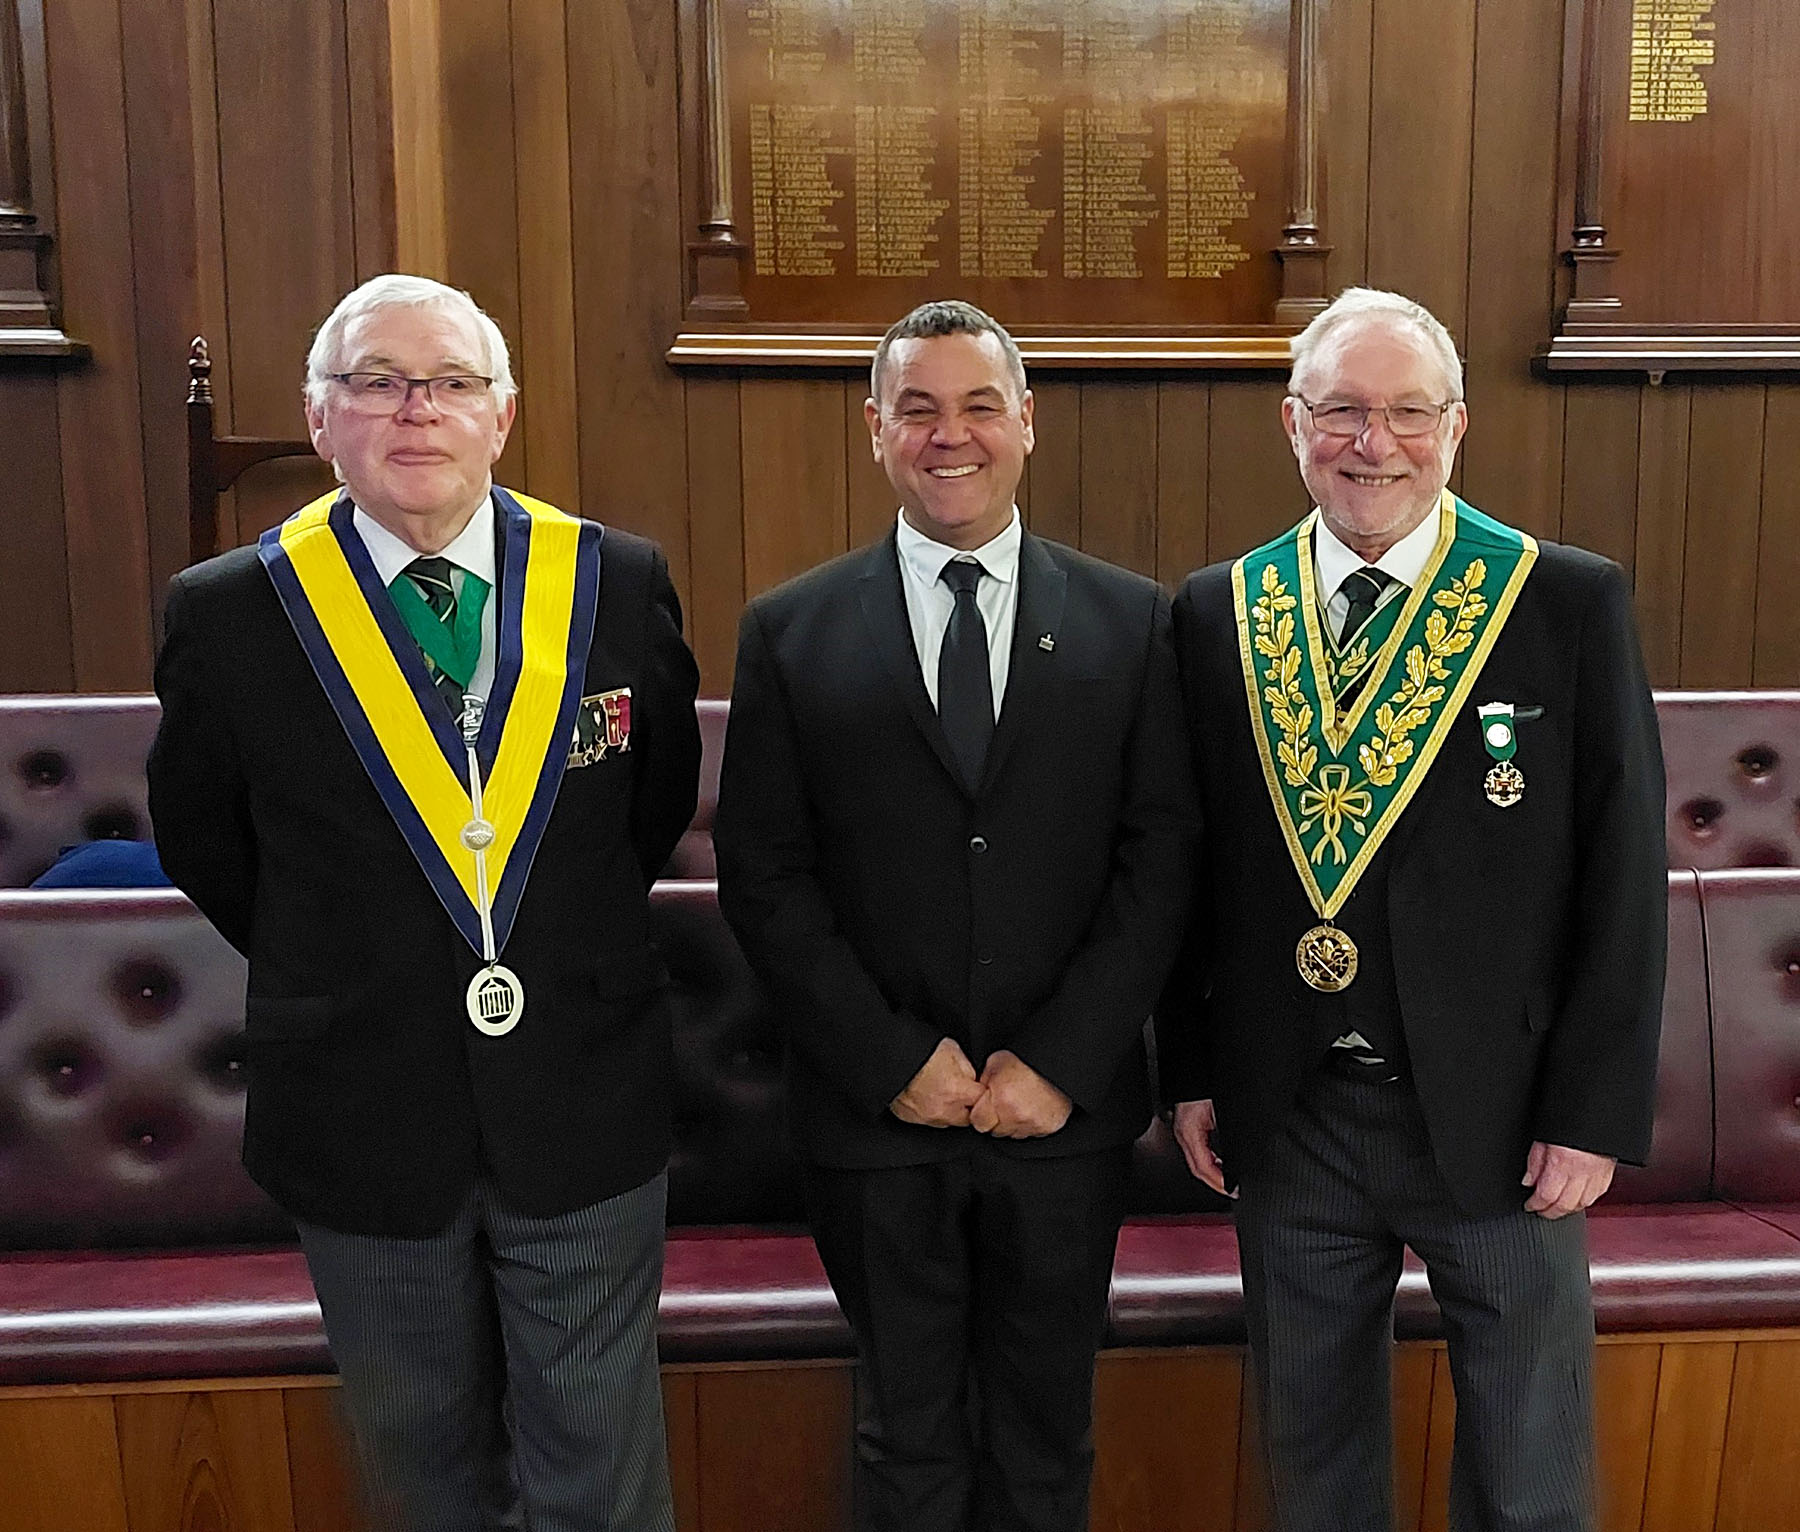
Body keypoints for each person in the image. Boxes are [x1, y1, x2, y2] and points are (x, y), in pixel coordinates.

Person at [148, 273, 700, 1532]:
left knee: (600, 1470)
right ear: (320, 415)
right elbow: (209, 845)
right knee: (419, 1470)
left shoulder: (614, 579)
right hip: (354, 1096)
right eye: (376, 382)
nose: (416, 411)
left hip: (581, 1084)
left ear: (501, 416)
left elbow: (650, 806)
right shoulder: (231, 612)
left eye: (451, 382)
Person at [1160, 287, 1666, 1532]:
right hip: (1292, 1112)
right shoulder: (1218, 609)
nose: (1370, 442)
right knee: (1315, 1469)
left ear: (1456, 427)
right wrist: (1192, 1069)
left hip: (1502, 1118)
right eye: (1340, 410)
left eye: (1404, 413)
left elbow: (1622, 873)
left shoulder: (1561, 599)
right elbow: (1186, 868)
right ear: (1292, 423)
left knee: (1530, 1476)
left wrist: (1591, 1110)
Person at [714, 299, 1198, 1532]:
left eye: (980, 405)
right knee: (906, 1441)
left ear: (1028, 423)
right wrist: (893, 1060)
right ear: (875, 430)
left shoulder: (1133, 623)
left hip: (1062, 1119)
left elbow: (1162, 862)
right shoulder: (791, 628)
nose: (951, 436)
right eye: (918, 409)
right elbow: (766, 876)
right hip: (877, 1123)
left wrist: (1061, 1060)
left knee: (1046, 1443)